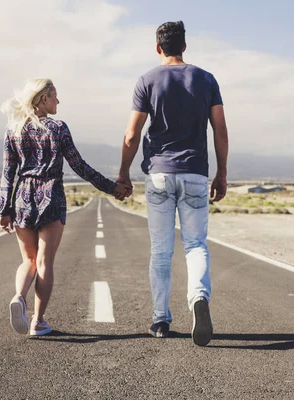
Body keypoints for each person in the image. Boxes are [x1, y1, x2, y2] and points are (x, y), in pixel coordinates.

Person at [117, 21, 229, 346]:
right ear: (184, 46)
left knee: (161, 252)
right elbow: (219, 129)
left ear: (158, 47)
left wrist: (123, 173)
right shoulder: (206, 80)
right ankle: (198, 299)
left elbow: (131, 134)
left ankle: (160, 320)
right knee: (196, 245)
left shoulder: (147, 81)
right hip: (195, 173)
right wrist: (222, 173)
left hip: (159, 175)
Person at [0, 78, 130, 336]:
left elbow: (7, 173)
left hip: (23, 196)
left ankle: (19, 297)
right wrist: (111, 188)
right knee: (45, 262)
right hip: (51, 196)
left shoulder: (13, 131)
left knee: (28, 260)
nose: (58, 101)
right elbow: (79, 166)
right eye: (55, 96)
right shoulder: (58, 128)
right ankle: (38, 321)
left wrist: (4, 209)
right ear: (43, 98)